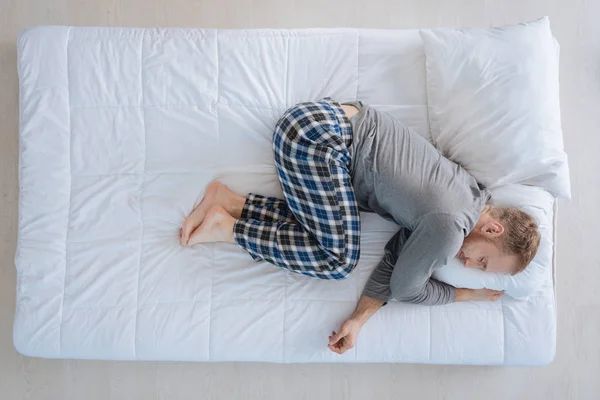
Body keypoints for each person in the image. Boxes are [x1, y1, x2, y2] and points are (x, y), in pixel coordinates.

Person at [179, 98, 541, 355]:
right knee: (337, 260)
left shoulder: (469, 193)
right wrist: (467, 295)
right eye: (483, 261)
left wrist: (358, 320)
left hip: (320, 126)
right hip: (320, 139)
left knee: (327, 234)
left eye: (478, 270)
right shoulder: (450, 230)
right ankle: (228, 229)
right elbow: (406, 287)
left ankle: (229, 203)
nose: (468, 266)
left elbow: (396, 263)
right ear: (493, 230)